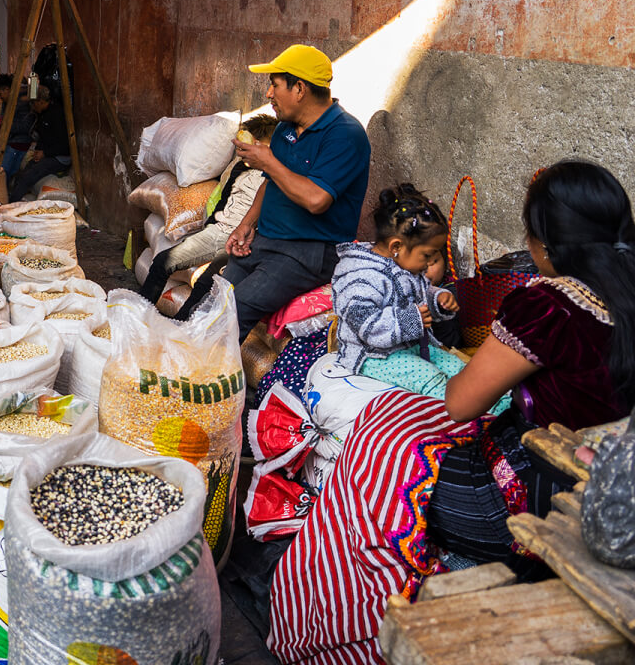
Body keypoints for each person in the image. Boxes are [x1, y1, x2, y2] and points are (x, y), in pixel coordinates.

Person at [268, 160, 635, 665]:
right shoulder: (626, 294)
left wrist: (447, 348)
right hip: (611, 490)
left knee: (375, 453)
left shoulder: (548, 307)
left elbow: (461, 402)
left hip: (526, 496)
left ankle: (342, 614)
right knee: (390, 418)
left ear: (547, 246)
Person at [222, 44, 371, 339]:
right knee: (219, 301)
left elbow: (317, 200)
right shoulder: (285, 129)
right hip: (268, 240)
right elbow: (271, 182)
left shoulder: (346, 134)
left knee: (236, 309)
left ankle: (207, 380)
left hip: (310, 251)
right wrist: (247, 224)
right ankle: (191, 368)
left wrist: (269, 160)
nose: (269, 94)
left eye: (274, 85)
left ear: (299, 88)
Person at [331, 184, 474, 400]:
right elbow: (366, 326)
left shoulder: (403, 264)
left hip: (411, 347)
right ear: (396, 246)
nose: (428, 264)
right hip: (374, 356)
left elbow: (418, 295)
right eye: (427, 255)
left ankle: (501, 409)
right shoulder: (358, 276)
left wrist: (437, 301)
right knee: (431, 380)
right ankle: (463, 417)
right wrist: (411, 319)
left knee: (463, 370)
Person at [140, 114, 279, 303]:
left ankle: (184, 324)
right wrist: (209, 229)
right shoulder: (239, 168)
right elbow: (223, 201)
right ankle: (140, 311)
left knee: (207, 283)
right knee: (163, 261)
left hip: (244, 241)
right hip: (218, 233)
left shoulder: (277, 175)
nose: (242, 152)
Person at [8, 85, 71, 201]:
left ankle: (10, 205)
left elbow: (65, 146)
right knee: (21, 175)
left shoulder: (57, 114)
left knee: (28, 177)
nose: (32, 107)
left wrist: (45, 153)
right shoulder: (43, 114)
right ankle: (12, 200)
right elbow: (43, 137)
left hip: (59, 158)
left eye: (33, 103)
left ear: (41, 101)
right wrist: (38, 151)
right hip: (47, 154)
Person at [0, 78, 36, 184]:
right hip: (13, 141)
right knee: (7, 173)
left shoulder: (22, 103)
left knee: (5, 173)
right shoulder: (8, 102)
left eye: (0, 93)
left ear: (7, 89)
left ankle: (3, 195)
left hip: (19, 143)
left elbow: (25, 127)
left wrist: (6, 126)